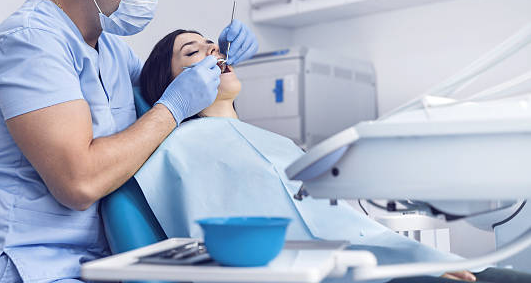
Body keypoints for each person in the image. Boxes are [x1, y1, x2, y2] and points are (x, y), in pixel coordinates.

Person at [0, 0, 258, 283]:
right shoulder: (30, 43)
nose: (152, 2)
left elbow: (161, 87)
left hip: (94, 267)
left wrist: (218, 58)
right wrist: (173, 106)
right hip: (21, 265)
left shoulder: (114, 52)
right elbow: (80, 183)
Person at [105, 29, 531, 283]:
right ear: (170, 85)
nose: (214, 54)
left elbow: (351, 227)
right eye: (193, 53)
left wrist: (426, 260)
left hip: (382, 267)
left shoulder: (278, 145)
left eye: (213, 47)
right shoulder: (172, 153)